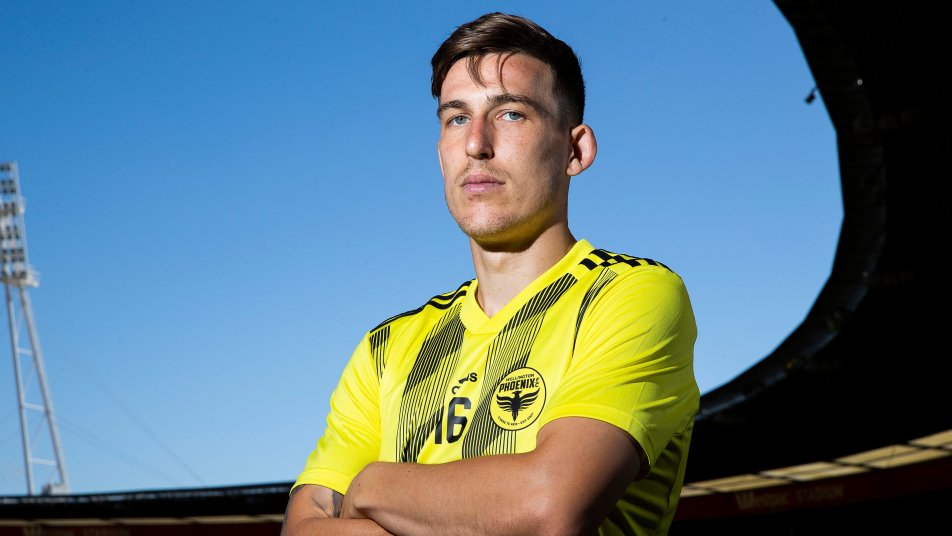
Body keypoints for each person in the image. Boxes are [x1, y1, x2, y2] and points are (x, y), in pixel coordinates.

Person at [282, 11, 698, 536]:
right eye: (456, 118)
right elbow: (303, 528)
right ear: (440, 154)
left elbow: (548, 505)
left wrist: (370, 487)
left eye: (511, 114)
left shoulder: (629, 295)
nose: (476, 143)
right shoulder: (384, 349)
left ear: (576, 150)